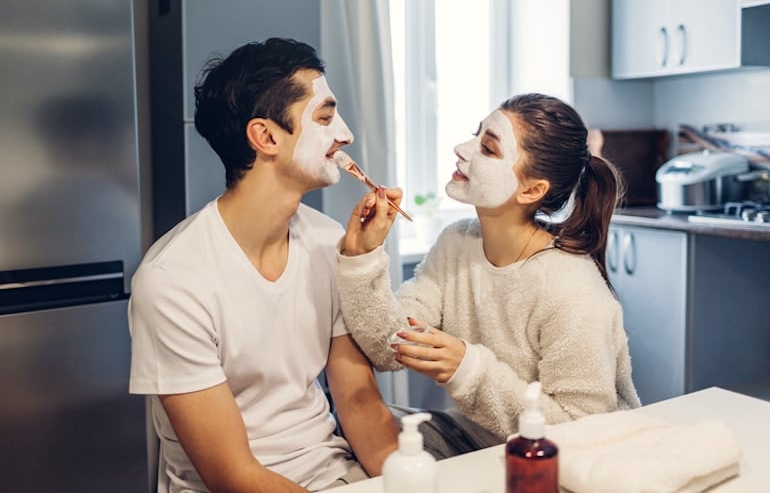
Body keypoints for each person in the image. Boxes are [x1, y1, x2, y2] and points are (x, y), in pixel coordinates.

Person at [128, 38, 399, 493]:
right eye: (326, 117)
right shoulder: (171, 281)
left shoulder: (329, 242)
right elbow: (233, 474)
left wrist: (412, 481)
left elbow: (360, 405)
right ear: (266, 137)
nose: (346, 136)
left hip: (333, 474)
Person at [336, 93, 641, 459]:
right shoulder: (457, 243)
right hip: (478, 441)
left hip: (569, 461)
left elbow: (582, 429)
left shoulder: (571, 289)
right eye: (474, 135)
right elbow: (391, 346)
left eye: (489, 148)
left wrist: (469, 371)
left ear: (532, 190)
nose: (461, 150)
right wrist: (363, 256)